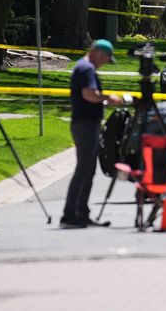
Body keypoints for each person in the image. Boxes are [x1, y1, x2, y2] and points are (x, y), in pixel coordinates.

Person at [62, 39, 120, 228]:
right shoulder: (86, 69)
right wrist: (107, 98)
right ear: (98, 53)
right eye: (105, 59)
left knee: (88, 169)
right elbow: (89, 93)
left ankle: (81, 212)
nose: (104, 63)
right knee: (84, 169)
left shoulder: (84, 67)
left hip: (87, 124)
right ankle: (70, 214)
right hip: (85, 124)